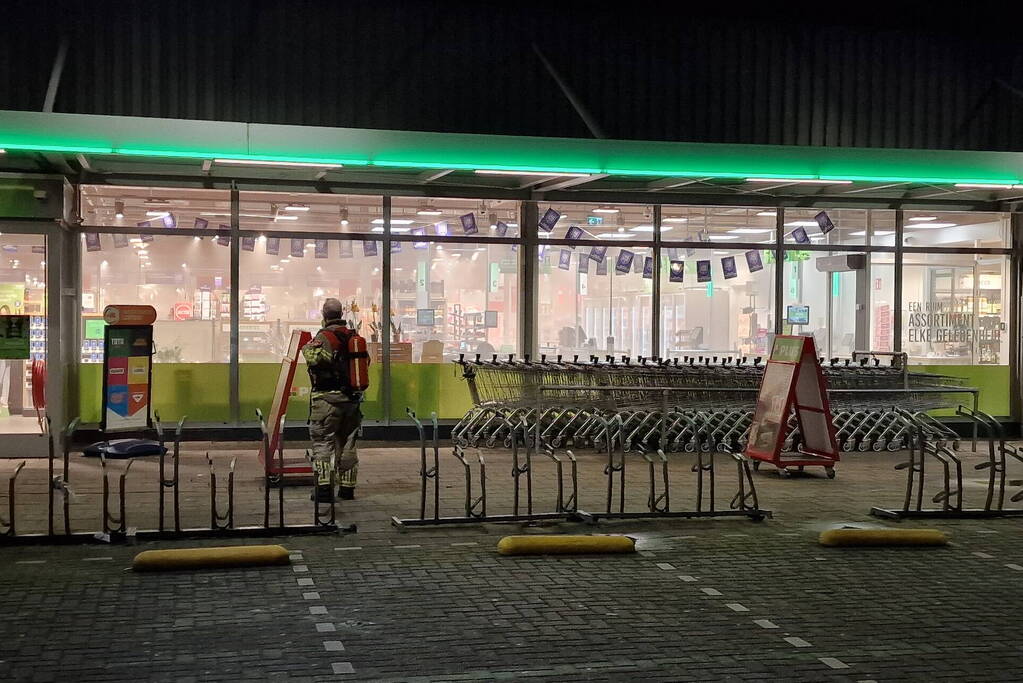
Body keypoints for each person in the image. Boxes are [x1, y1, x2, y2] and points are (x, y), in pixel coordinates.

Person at [303, 298, 364, 503]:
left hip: (326, 400)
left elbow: (313, 358)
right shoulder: (353, 336)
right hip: (351, 400)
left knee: (323, 443)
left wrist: (306, 347)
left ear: (324, 315)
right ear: (342, 314)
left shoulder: (325, 336)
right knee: (348, 443)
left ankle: (323, 491)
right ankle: (347, 489)